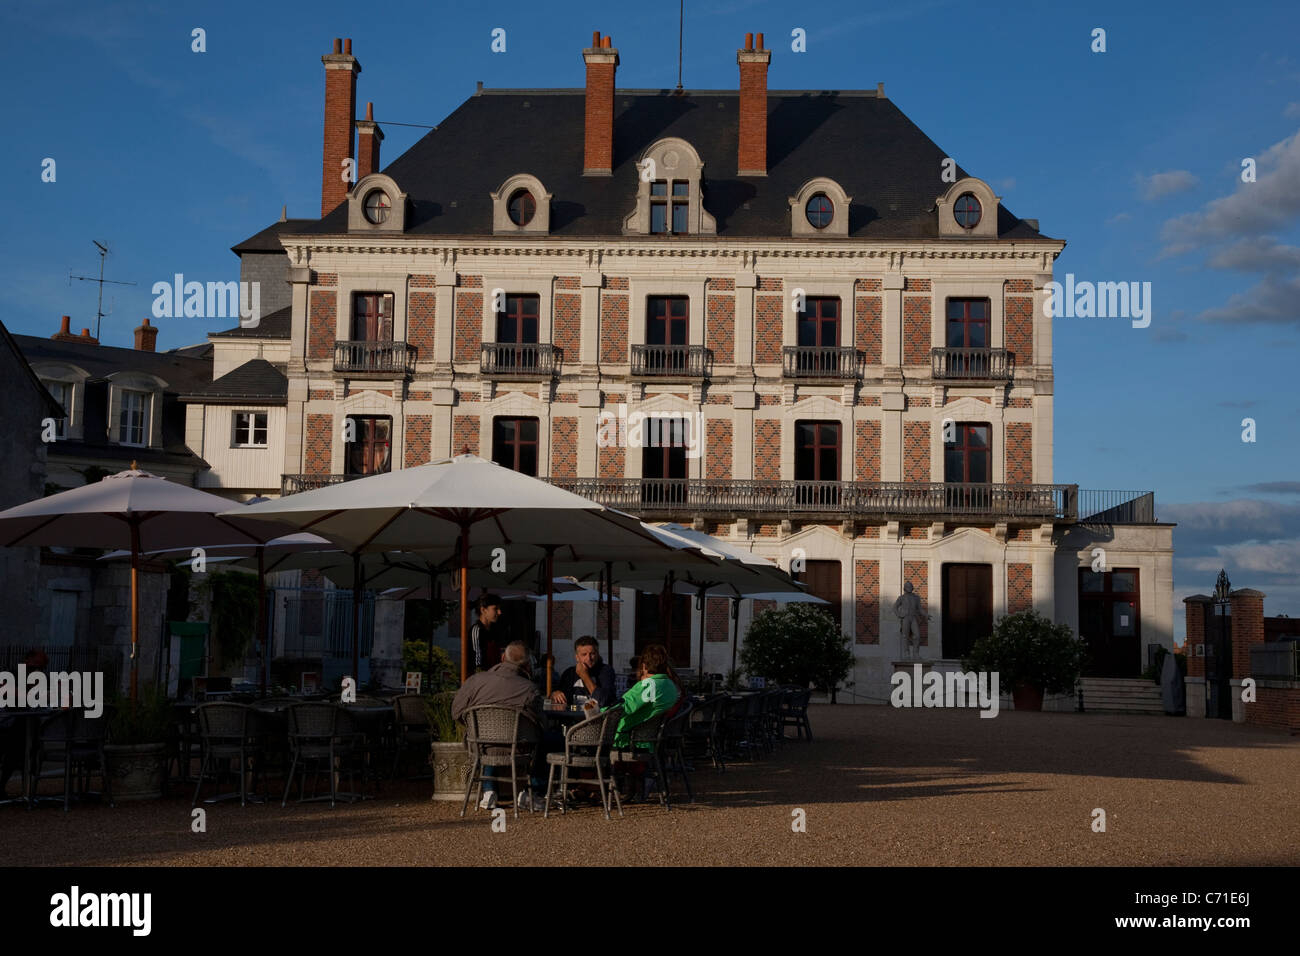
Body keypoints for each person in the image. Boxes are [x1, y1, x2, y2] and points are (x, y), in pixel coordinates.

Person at [452, 640, 542, 811]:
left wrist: (476, 726)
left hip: (480, 746)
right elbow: (541, 723)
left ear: (502, 658)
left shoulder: (475, 681)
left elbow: (456, 712)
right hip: (518, 749)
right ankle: (529, 791)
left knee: (490, 740)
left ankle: (488, 791)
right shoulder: (529, 688)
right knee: (548, 739)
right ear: (527, 665)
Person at [551, 636, 616, 709]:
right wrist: (555, 694)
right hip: (573, 717)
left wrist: (585, 676)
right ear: (577, 657)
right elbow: (558, 694)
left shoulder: (606, 671)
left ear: (597, 655)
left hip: (598, 718)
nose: (589, 658)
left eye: (592, 654)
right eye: (584, 654)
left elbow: (603, 701)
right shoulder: (569, 673)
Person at [469, 594, 503, 674]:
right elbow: (476, 661)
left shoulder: (494, 630)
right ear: (483, 610)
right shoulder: (476, 630)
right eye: (495, 609)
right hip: (481, 679)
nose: (499, 612)